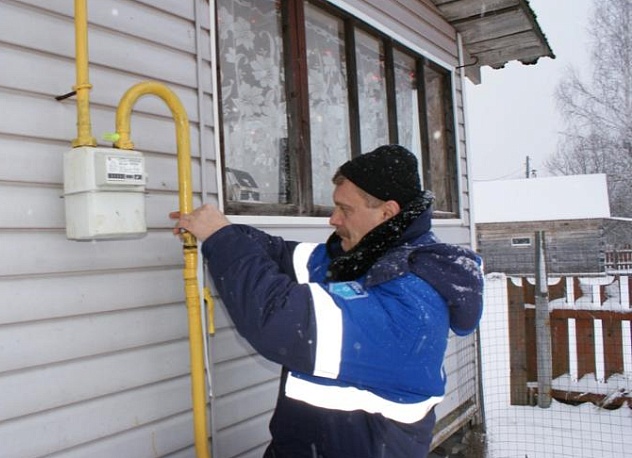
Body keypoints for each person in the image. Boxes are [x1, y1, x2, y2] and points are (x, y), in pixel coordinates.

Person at [170, 144, 484, 458]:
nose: (332, 220)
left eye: (345, 209)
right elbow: (281, 255)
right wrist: (224, 231)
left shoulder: (411, 307)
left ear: (388, 213)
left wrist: (221, 239)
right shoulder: (364, 258)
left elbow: (277, 320)